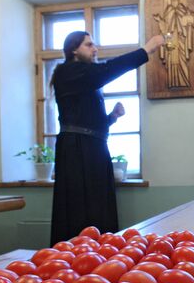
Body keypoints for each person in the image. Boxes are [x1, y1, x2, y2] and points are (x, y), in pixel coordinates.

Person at [49, 31, 165, 245]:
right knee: (79, 211)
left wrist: (112, 117)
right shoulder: (68, 72)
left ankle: (101, 257)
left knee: (98, 208)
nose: (95, 49)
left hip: (93, 148)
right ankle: (74, 259)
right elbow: (107, 70)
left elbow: (88, 123)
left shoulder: (82, 76)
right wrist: (146, 49)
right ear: (74, 49)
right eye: (89, 45)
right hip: (76, 151)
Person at [153, 0, 194, 88]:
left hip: (181, 38)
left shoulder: (183, 9)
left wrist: (188, 17)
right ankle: (172, 82)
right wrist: (160, 20)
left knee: (181, 59)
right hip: (170, 38)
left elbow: (188, 22)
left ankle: (184, 81)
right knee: (171, 58)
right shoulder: (168, 10)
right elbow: (165, 25)